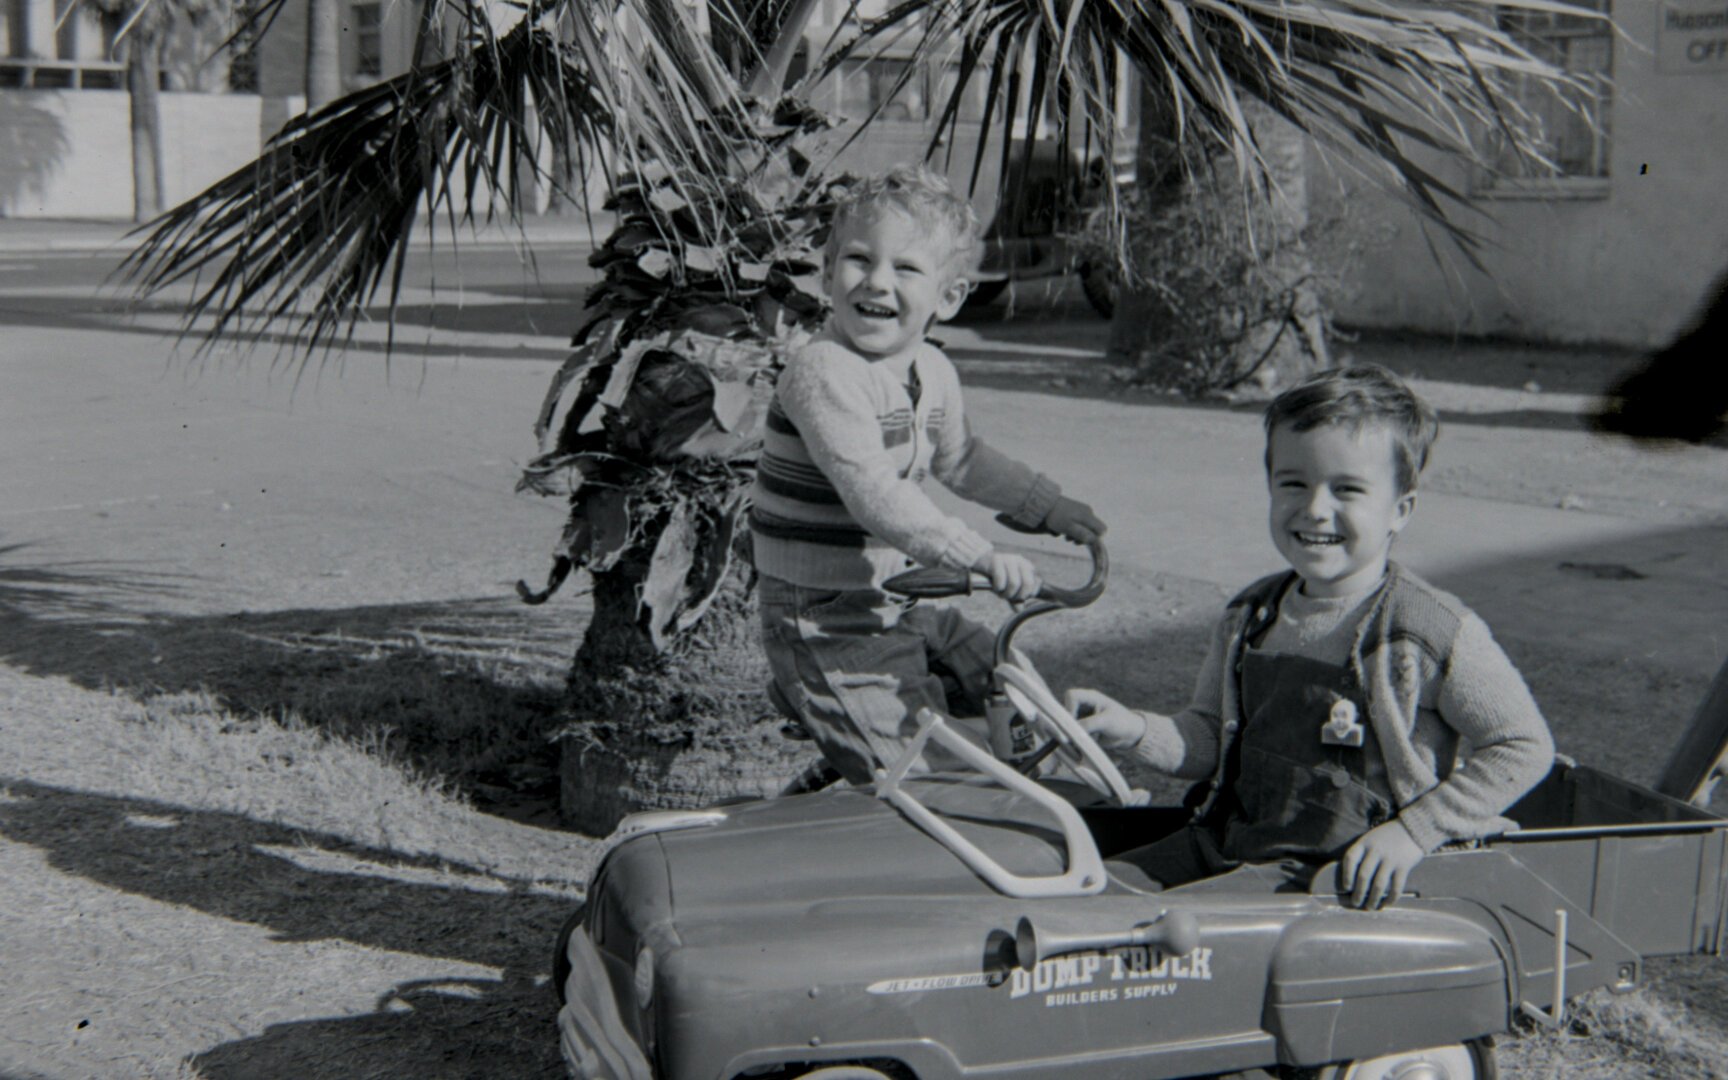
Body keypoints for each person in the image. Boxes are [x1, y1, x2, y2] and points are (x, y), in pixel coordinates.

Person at [1066, 364, 1554, 909]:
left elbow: (1523, 746)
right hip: (1226, 845)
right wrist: (1131, 728)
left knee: (1128, 925)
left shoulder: (1429, 629)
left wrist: (1414, 832)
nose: (1316, 509)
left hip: (1337, 882)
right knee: (1086, 893)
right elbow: (1209, 738)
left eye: (1347, 489)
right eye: (1293, 483)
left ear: (1400, 509)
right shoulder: (1249, 614)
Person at [750, 164, 1106, 786]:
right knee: (925, 762)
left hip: (897, 599)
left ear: (948, 296)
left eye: (906, 268)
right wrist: (973, 553)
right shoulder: (823, 371)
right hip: (822, 615)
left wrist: (1046, 506)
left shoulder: (933, 372)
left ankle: (871, 775)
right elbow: (873, 491)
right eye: (858, 259)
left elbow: (962, 459)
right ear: (830, 268)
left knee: (1006, 682)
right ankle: (896, 786)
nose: (877, 281)